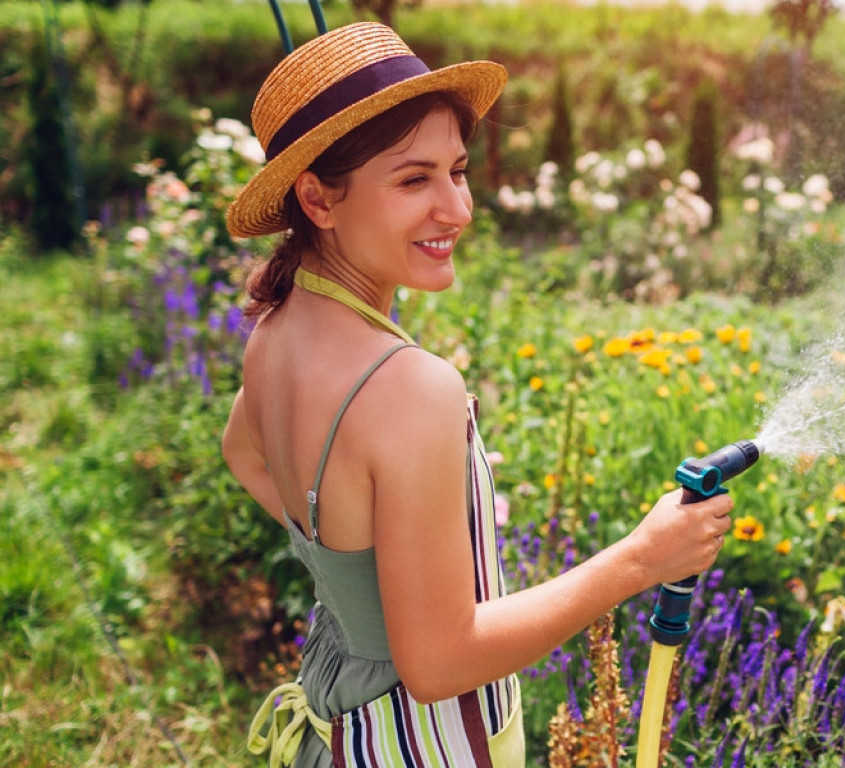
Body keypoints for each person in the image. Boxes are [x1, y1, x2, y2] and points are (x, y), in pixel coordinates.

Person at [220, 22, 734, 768]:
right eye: (413, 179)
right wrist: (642, 560)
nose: (457, 209)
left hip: (340, 728)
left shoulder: (275, 328)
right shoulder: (407, 387)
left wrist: (356, 584)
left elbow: (243, 451)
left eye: (456, 171)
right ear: (318, 199)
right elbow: (437, 667)